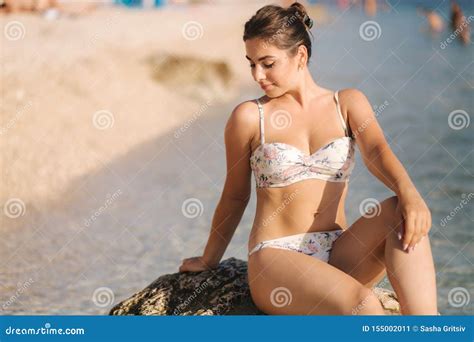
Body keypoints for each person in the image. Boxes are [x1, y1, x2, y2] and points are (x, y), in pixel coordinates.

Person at [179, 2, 438, 315]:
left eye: (267, 63)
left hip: (339, 254)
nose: (257, 75)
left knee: (402, 211)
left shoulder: (347, 103)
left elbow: (377, 152)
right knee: (364, 305)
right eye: (252, 64)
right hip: (275, 258)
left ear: (300, 55)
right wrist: (209, 259)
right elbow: (235, 196)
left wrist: (411, 194)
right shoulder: (249, 117)